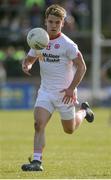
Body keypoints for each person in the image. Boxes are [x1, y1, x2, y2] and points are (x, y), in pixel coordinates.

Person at [21, 4, 94, 171]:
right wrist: (27, 66)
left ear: (62, 23)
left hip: (65, 94)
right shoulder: (38, 39)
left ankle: (84, 111)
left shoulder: (68, 44)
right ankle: (37, 162)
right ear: (45, 22)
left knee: (69, 129)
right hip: (45, 92)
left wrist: (71, 88)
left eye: (57, 22)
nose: (53, 25)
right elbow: (29, 60)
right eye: (51, 22)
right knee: (38, 124)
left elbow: (82, 67)